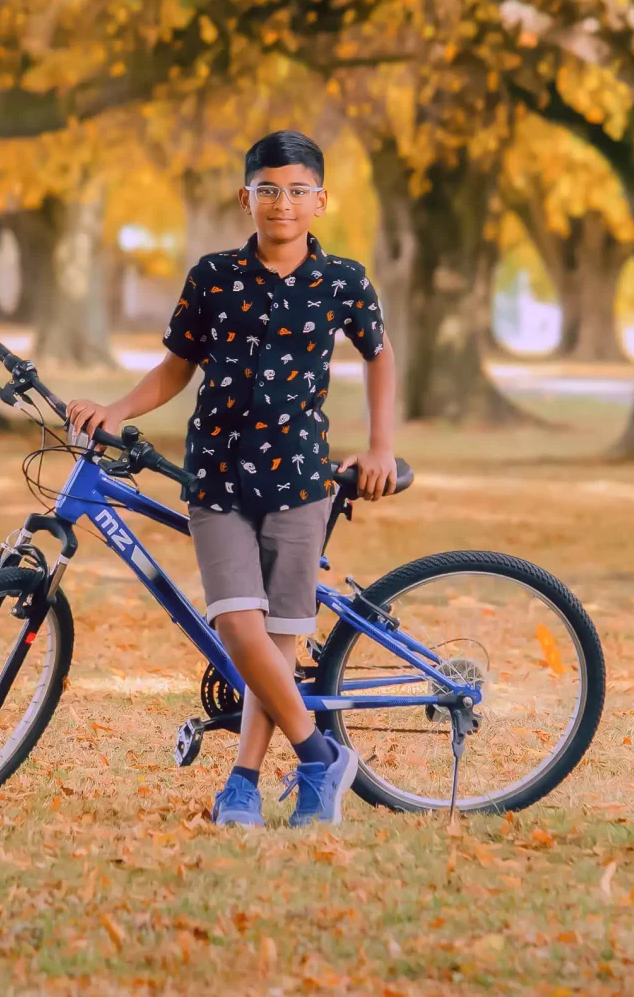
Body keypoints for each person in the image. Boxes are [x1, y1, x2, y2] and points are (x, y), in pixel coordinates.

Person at [67, 130, 397, 827]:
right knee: (237, 625)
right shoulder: (212, 277)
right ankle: (320, 758)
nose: (283, 203)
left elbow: (380, 356)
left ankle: (243, 784)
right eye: (269, 189)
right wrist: (117, 409)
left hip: (301, 481)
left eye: (299, 190)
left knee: (276, 640)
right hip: (215, 477)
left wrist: (381, 447)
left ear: (321, 201)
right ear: (246, 197)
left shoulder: (344, 282)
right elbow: (176, 367)